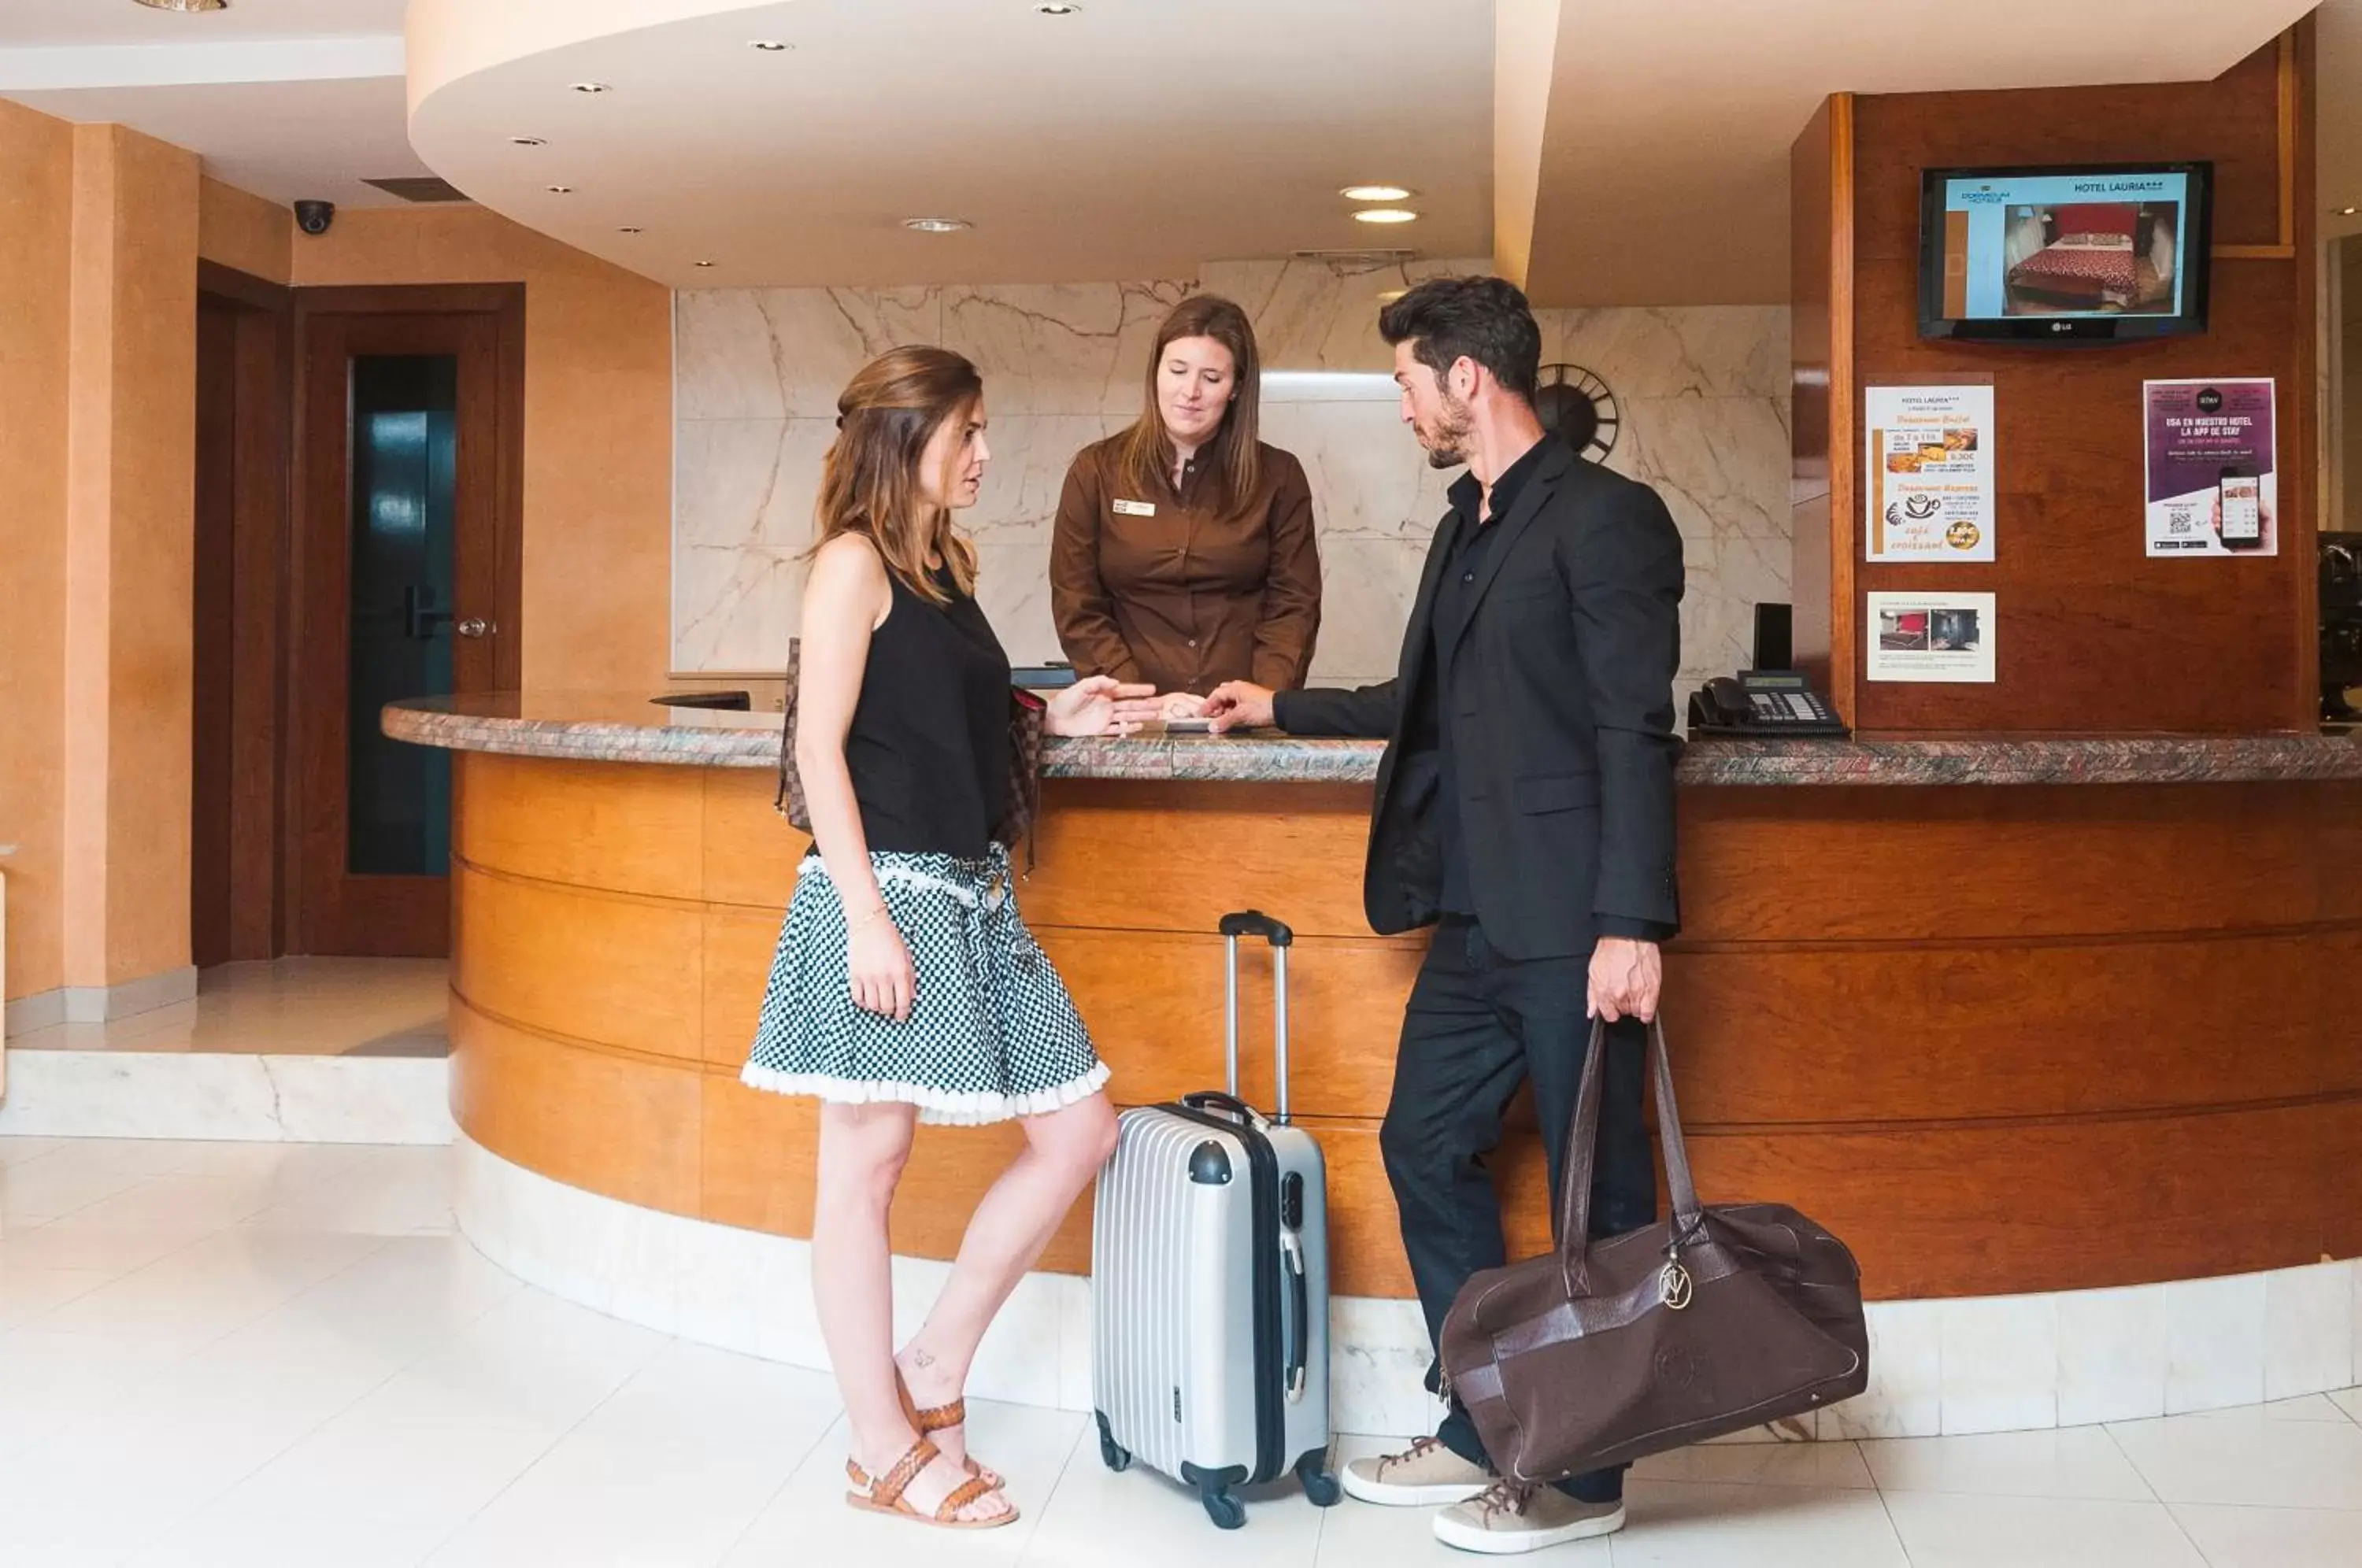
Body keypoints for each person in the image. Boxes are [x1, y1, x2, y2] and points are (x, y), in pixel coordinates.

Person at [1202, 276, 1683, 1555]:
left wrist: (1633, 921)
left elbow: (1637, 726)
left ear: (1470, 377)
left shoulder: (1608, 519)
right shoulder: (1465, 526)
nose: (1405, 401)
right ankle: (1487, 1414)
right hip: (1473, 921)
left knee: (1605, 1196)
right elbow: (1421, 700)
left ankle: (1587, 1474)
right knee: (1423, 1144)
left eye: (1410, 379)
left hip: (1581, 921)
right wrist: (1276, 706)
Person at [741, 346, 1146, 1533]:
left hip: (972, 898)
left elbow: (948, 713)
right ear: (904, 437)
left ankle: (929, 1368)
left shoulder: (940, 570)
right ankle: (880, 1448)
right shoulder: (851, 566)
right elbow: (823, 751)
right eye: (967, 432)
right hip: (885, 899)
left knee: (1082, 1131)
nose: (983, 453)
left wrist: (1053, 710)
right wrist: (867, 917)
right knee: (863, 1175)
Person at [1050, 294, 1322, 708]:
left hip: (1242, 717)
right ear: (1156, 371)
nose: (1190, 392)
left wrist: (1263, 700)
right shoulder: (1096, 471)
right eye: (1177, 370)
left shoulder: (1279, 477)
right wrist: (1137, 699)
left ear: (1237, 388)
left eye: (1212, 378)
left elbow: (1294, 606)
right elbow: (1077, 601)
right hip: (1130, 716)